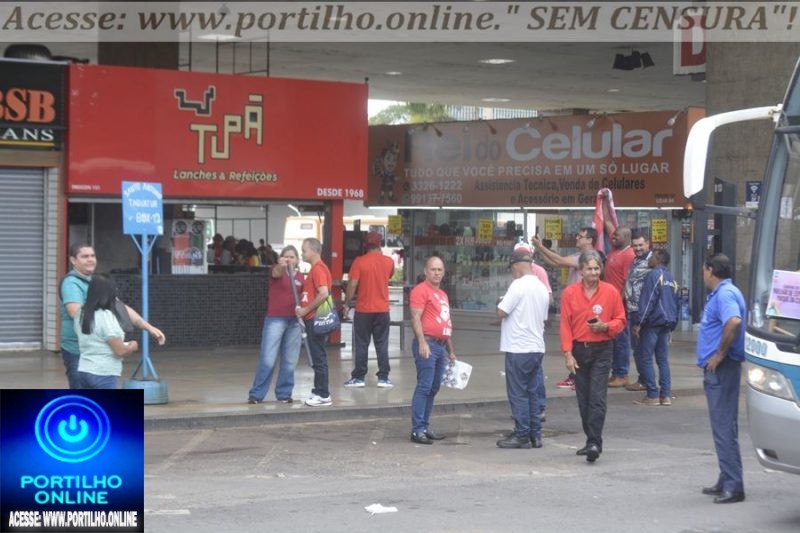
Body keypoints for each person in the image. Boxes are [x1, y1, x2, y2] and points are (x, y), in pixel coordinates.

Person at [60, 243, 165, 389]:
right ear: (73, 260)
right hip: (79, 351)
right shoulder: (71, 283)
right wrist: (111, 328)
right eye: (85, 256)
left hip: (97, 355)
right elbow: (75, 313)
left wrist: (148, 327)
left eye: (92, 256)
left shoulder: (96, 282)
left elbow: (120, 307)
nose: (90, 259)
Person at [560, 250, 626, 462]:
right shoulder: (570, 293)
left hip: (602, 349)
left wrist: (606, 326)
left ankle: (594, 442)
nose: (594, 272)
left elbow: (621, 320)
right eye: (589, 268)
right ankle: (591, 439)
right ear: (581, 270)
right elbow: (565, 324)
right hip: (579, 350)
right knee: (583, 398)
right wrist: (567, 353)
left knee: (597, 397)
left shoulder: (610, 291)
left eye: (597, 268)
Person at [697, 254, 746, 504]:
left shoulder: (725, 294)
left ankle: (733, 485)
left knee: (723, 426)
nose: (703, 274)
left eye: (704, 270)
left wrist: (719, 355)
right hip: (722, 368)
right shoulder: (724, 292)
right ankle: (726, 477)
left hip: (722, 369)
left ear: (711, 270)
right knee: (725, 426)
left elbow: (733, 321)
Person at [495, 250, 550, 449]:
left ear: (517, 266)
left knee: (518, 393)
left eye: (512, 269)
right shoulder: (542, 287)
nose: (512, 273)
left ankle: (522, 434)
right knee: (532, 392)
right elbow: (544, 317)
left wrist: (499, 301)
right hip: (536, 347)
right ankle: (535, 434)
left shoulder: (518, 285)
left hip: (518, 347)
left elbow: (501, 311)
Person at [533, 227, 599, 390]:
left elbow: (560, 260)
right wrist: (539, 249)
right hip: (575, 303)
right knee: (575, 340)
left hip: (583, 304)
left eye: (580, 236)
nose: (577, 238)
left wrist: (540, 246)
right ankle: (576, 376)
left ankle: (578, 377)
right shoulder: (578, 256)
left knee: (580, 342)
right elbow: (555, 262)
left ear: (589, 240)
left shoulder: (588, 257)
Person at [248, 245, 304, 404]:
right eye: (286, 256)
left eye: (292, 257)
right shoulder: (276, 270)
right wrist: (282, 265)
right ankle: (257, 394)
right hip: (276, 319)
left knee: (290, 360)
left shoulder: (301, 277)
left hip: (294, 321)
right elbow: (277, 272)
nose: (289, 259)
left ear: (297, 260)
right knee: (268, 358)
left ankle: (284, 394)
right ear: (281, 258)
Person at [409, 256, 456, 445]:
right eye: (433, 269)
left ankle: (424, 426)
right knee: (425, 386)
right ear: (426, 271)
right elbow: (415, 318)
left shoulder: (442, 294)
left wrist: (451, 351)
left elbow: (445, 323)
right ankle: (417, 429)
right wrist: (422, 342)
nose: (436, 273)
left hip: (441, 346)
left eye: (440, 270)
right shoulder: (420, 290)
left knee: (434, 387)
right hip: (428, 344)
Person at [342, 231, 395, 388]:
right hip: (382, 310)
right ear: (380, 244)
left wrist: (347, 304)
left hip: (363, 310)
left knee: (362, 344)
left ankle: (359, 377)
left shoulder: (359, 262)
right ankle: (383, 378)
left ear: (365, 245)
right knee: (382, 344)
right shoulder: (389, 262)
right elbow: (388, 276)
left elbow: (352, 284)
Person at [75, 274, 140, 389]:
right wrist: (133, 345)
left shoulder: (81, 313)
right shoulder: (106, 316)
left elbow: (96, 340)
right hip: (103, 374)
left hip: (83, 370)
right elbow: (120, 351)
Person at [632, 249, 679, 406]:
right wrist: (672, 326)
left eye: (652, 256)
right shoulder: (671, 278)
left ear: (658, 258)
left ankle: (652, 394)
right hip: (666, 324)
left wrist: (639, 322)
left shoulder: (654, 275)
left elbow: (648, 300)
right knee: (662, 360)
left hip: (652, 323)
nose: (649, 259)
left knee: (645, 357)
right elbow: (676, 303)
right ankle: (665, 395)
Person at [296, 238, 335, 407]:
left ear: (314, 251)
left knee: (318, 357)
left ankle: (323, 394)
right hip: (314, 318)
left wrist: (305, 310)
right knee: (318, 355)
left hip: (315, 319)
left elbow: (323, 293)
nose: (302, 253)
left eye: (304, 250)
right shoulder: (318, 268)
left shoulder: (318, 269)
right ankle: (319, 390)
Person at [604, 227, 635, 387]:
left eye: (617, 235)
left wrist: (618, 304)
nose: (613, 237)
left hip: (619, 305)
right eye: (613, 235)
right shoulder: (614, 251)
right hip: (609, 303)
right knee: (614, 340)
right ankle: (616, 373)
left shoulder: (628, 255)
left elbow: (627, 282)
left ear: (627, 237)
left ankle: (622, 374)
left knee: (621, 340)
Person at [623, 230, 653, 392]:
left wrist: (642, 315)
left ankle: (646, 382)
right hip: (633, 310)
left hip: (643, 312)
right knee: (637, 349)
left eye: (641, 245)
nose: (638, 248)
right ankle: (645, 380)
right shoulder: (635, 260)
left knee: (642, 350)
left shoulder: (652, 262)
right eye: (635, 246)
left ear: (648, 243)